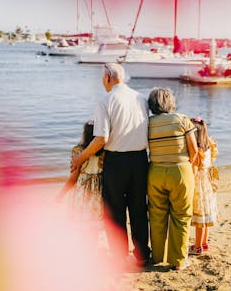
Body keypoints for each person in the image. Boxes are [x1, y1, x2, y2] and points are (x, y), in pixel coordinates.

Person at [71, 63, 151, 267]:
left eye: (101, 77)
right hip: (141, 160)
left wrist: (80, 158)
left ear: (107, 77)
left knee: (115, 211)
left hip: (116, 161)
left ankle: (119, 256)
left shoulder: (105, 100)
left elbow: (101, 139)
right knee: (138, 208)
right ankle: (142, 255)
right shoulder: (140, 98)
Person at [147, 87, 198, 270]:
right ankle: (178, 261)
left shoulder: (148, 123)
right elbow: (194, 150)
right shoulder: (181, 119)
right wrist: (186, 165)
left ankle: (158, 256)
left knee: (157, 215)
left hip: (155, 172)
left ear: (151, 104)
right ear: (170, 102)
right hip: (180, 171)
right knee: (182, 216)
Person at [56, 120, 104, 229]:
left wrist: (60, 195)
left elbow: (73, 179)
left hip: (82, 193)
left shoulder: (78, 151)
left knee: (82, 225)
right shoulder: (105, 151)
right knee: (95, 226)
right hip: (99, 192)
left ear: (85, 134)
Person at [188, 117, 219, 255]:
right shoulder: (210, 146)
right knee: (205, 217)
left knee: (200, 219)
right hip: (208, 183)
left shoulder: (198, 152)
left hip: (199, 185)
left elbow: (194, 171)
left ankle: (197, 246)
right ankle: (204, 243)